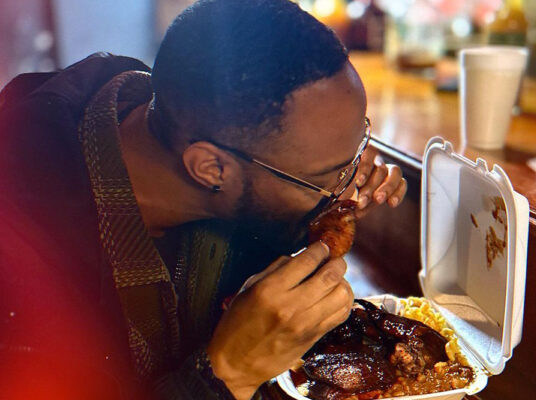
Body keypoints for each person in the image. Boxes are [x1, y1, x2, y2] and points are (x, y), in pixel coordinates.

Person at [0, 1, 407, 399]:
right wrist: (228, 373)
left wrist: (323, 200)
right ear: (210, 169)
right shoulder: (19, 264)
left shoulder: (197, 123)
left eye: (360, 147)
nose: (353, 182)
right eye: (329, 174)